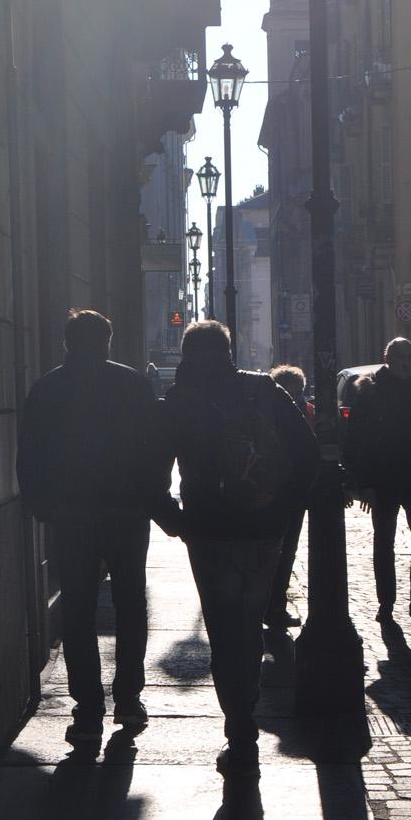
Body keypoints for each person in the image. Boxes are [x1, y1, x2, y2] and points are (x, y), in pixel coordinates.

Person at [156, 322, 318, 771]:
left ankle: (240, 729)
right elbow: (307, 454)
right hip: (262, 528)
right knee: (249, 626)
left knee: (224, 632)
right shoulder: (264, 389)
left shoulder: (179, 400)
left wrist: (176, 522)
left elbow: (150, 472)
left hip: (208, 530)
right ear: (229, 350)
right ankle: (245, 715)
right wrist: (281, 509)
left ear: (187, 354)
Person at [17, 309, 177, 749]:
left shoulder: (47, 388)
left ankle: (88, 710)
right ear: (107, 341)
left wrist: (43, 507)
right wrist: (155, 498)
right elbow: (156, 448)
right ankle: (128, 699)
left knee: (78, 610)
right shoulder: (132, 384)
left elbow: (29, 455)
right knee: (131, 605)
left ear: (67, 343)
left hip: (73, 515)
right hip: (126, 513)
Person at [342, 336, 411, 624]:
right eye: (401, 357)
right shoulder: (370, 391)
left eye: (410, 357)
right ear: (388, 358)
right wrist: (363, 483)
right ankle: (386, 603)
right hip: (384, 478)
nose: (406, 363)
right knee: (384, 542)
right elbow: (356, 441)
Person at [263, 364, 313, 633]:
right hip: (276, 490)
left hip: (296, 491)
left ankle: (275, 604)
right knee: (275, 551)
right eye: (290, 394)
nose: (294, 399)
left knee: (287, 550)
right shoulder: (269, 414)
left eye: (298, 394)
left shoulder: (308, 412)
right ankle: (271, 605)